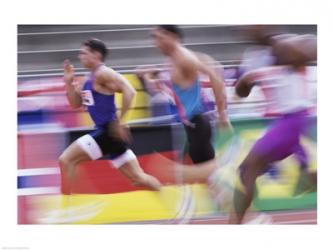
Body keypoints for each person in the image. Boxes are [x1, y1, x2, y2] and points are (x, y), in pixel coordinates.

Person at [229, 33, 317, 224]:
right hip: (288, 126)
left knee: (248, 169)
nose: (279, 50)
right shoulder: (268, 72)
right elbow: (241, 88)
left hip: (291, 124)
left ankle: (235, 225)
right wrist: (245, 84)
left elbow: (310, 47)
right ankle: (239, 222)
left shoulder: (297, 67)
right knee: (247, 171)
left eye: (284, 49)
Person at [59, 38, 161, 195]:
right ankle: (172, 200)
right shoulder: (89, 78)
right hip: (110, 134)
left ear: (96, 55)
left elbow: (130, 90)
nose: (80, 56)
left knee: (66, 160)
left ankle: (66, 207)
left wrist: (121, 122)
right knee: (138, 179)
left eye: (84, 53)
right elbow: (75, 104)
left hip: (108, 131)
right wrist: (68, 83)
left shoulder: (103, 73)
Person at [138, 25, 231, 173]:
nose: (156, 43)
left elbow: (215, 76)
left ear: (172, 37)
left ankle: (233, 179)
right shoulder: (172, 59)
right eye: (154, 38)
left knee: (209, 175)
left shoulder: (184, 58)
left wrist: (222, 114)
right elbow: (168, 88)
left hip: (197, 123)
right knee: (200, 173)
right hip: (190, 124)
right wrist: (148, 75)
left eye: (159, 38)